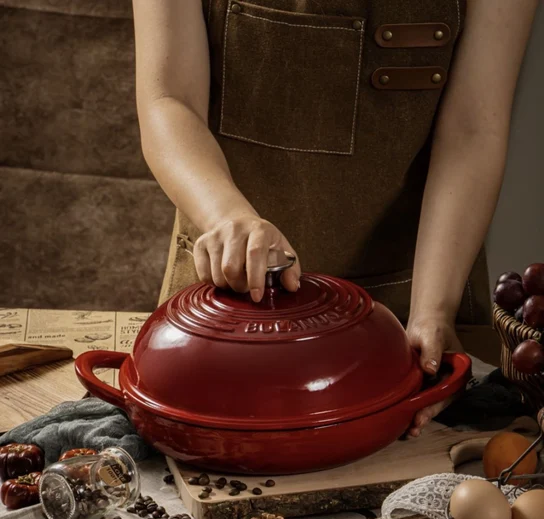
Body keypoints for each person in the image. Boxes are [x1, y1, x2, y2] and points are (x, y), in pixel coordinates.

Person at [132, 0, 538, 435]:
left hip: (417, 307)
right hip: (224, 310)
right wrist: (229, 218)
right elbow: (169, 99)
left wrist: (433, 312)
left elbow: (473, 126)